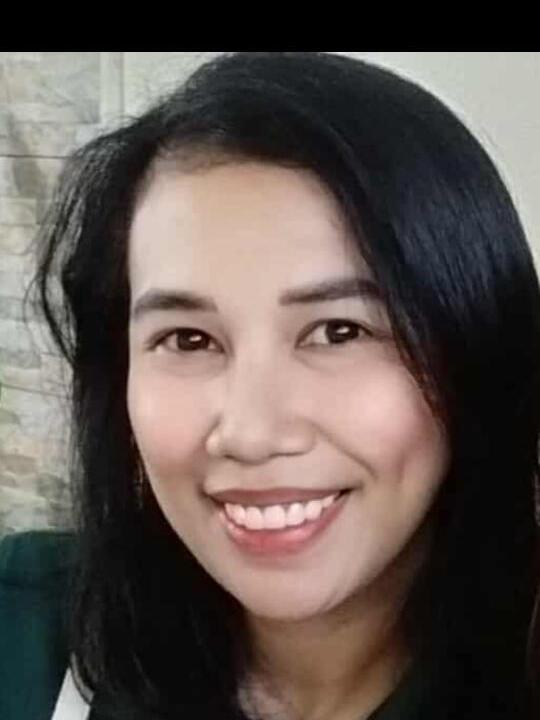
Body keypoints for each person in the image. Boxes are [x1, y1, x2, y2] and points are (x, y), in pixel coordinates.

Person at [1, 51, 539, 720]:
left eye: (339, 331)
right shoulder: (27, 634)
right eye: (188, 340)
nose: (252, 434)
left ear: (474, 347)